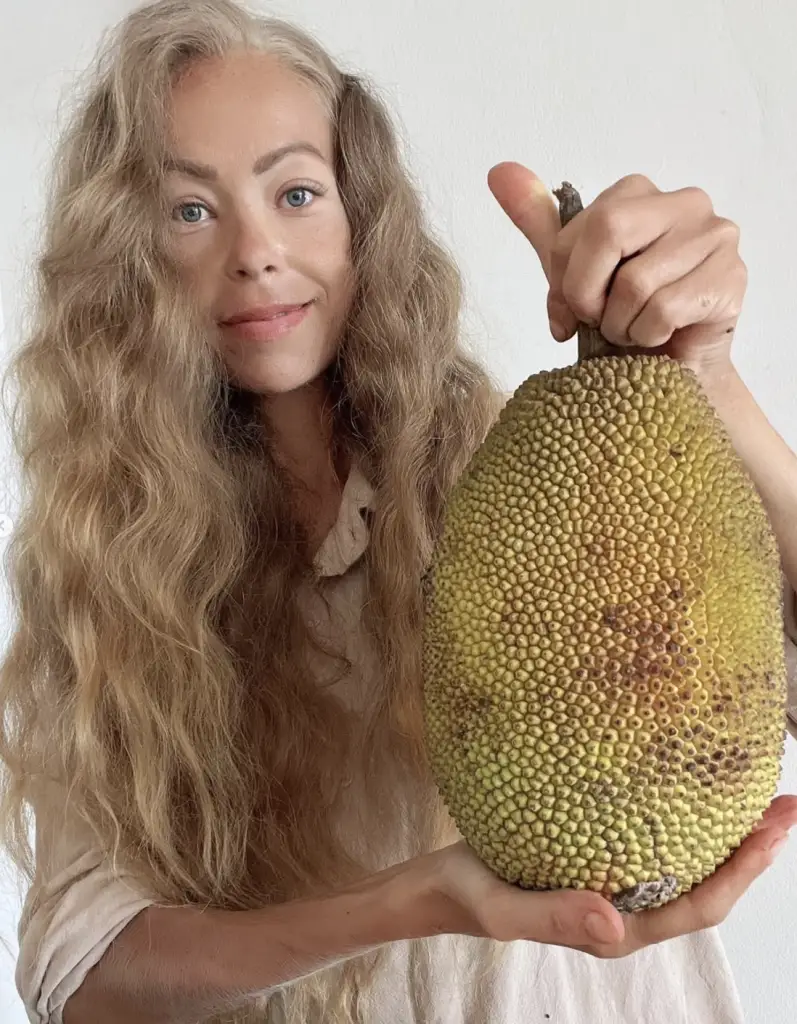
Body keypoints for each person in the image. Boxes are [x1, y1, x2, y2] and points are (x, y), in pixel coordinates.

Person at [0, 1, 795, 1023]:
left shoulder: (528, 479)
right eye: (188, 210)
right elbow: (81, 976)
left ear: (361, 216)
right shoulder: (109, 573)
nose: (254, 250)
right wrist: (415, 900)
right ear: (126, 255)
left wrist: (709, 375)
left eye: (295, 192)